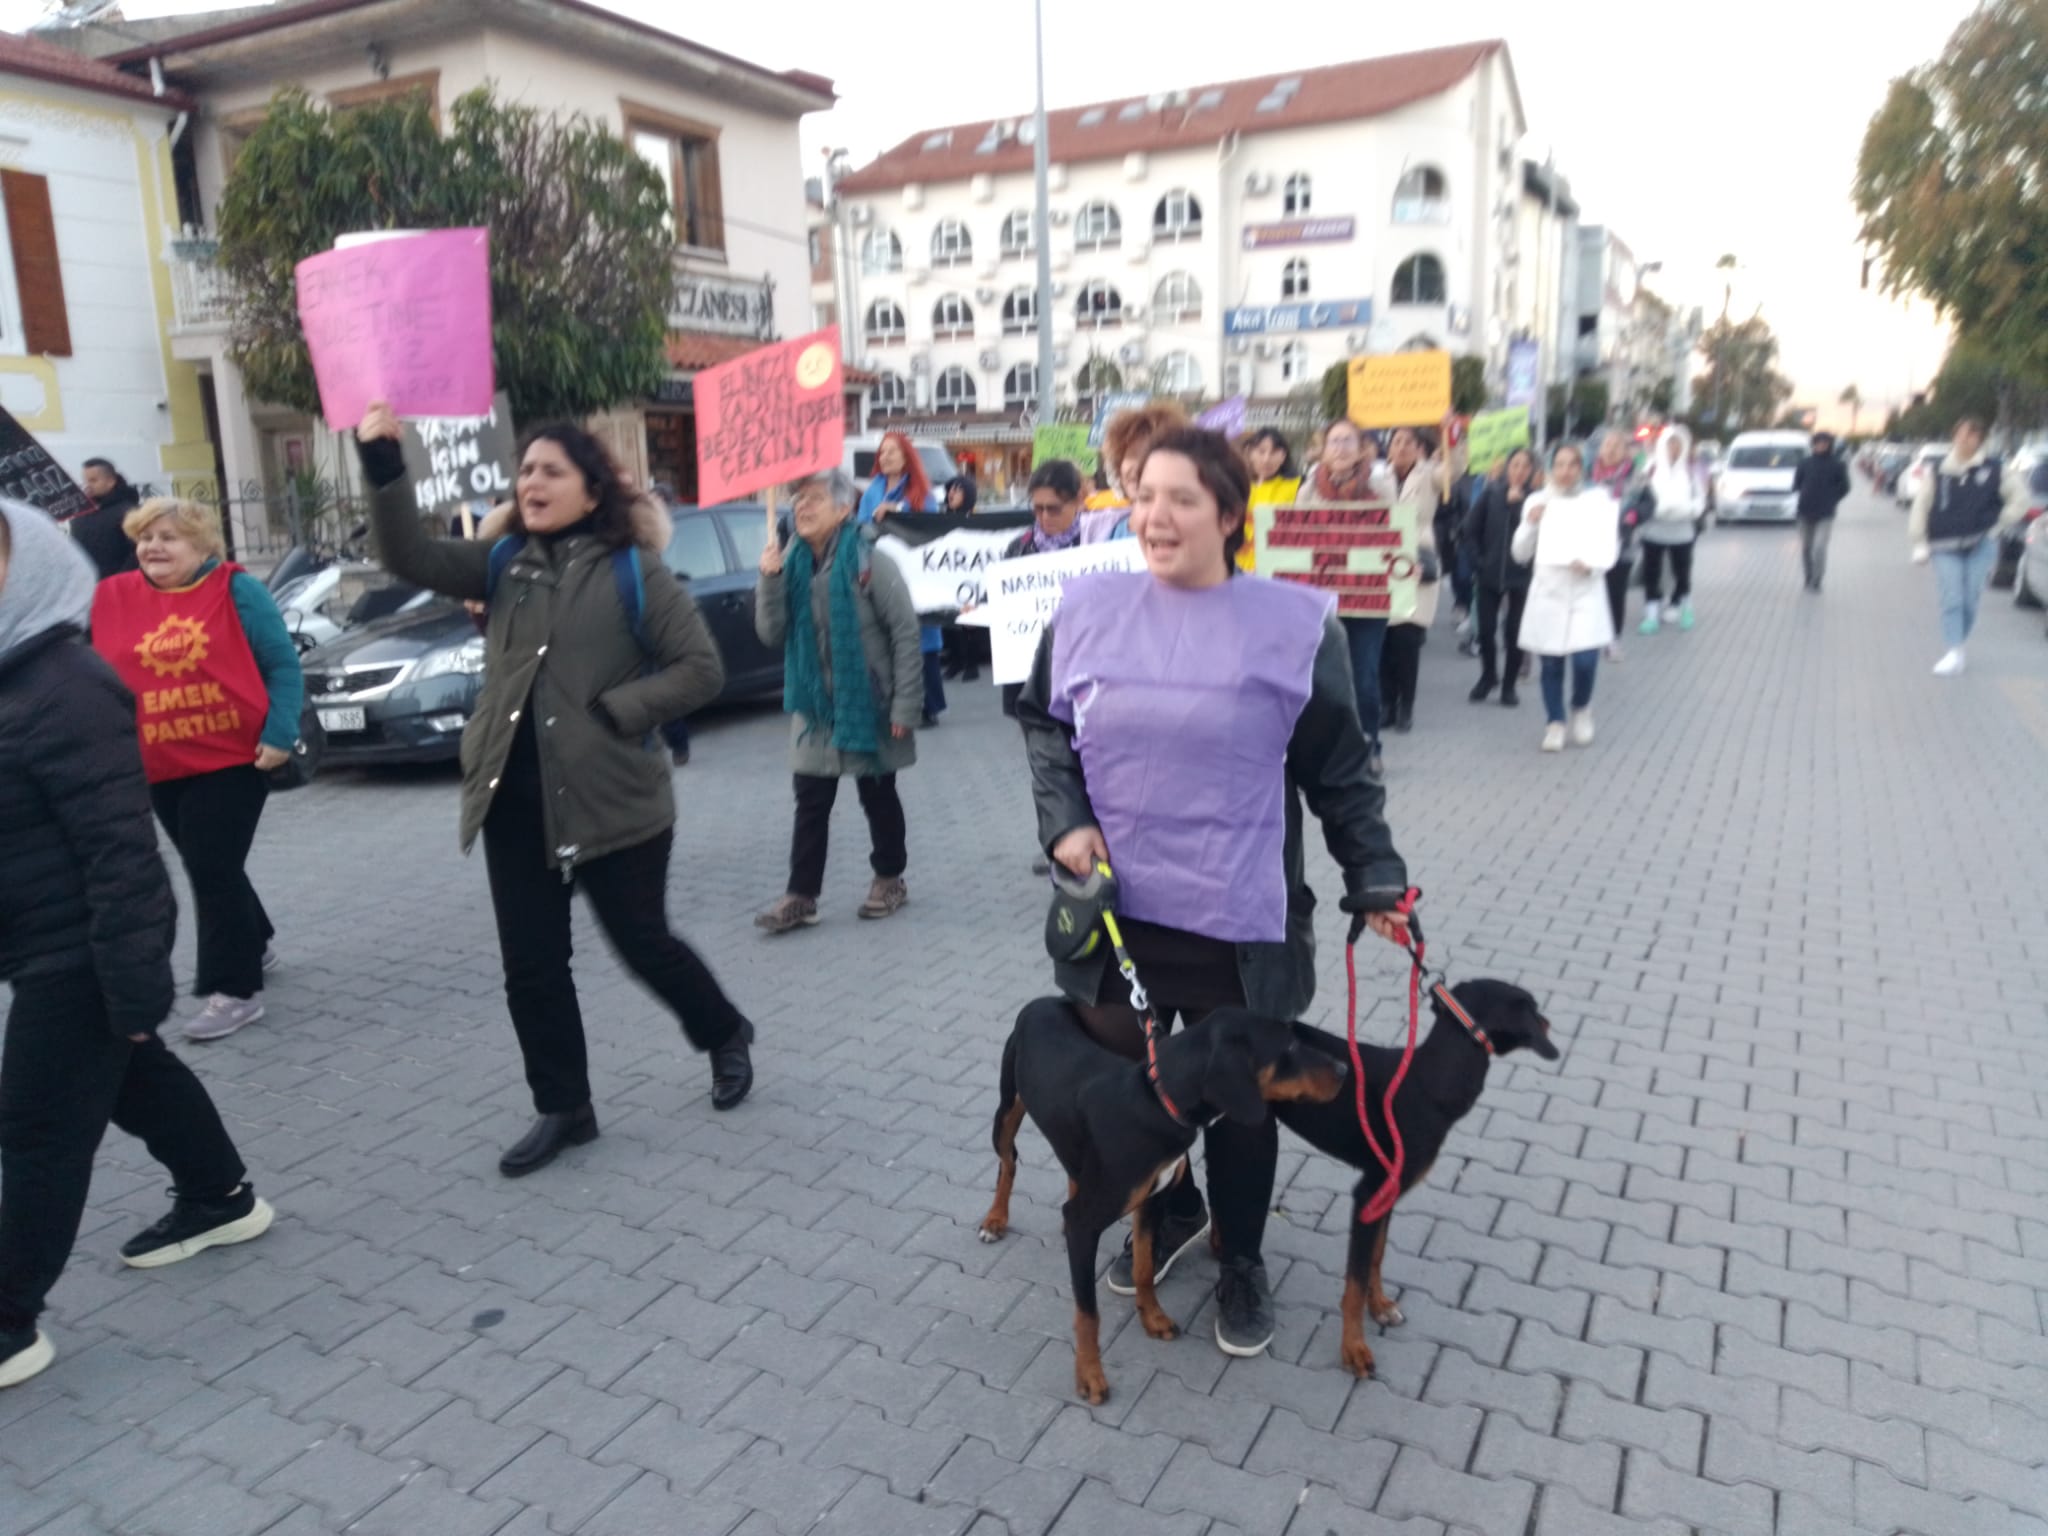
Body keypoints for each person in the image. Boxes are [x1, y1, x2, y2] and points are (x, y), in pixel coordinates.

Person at [1018, 426, 1411, 1360]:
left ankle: (1242, 1255)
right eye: (1144, 494)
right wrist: (1065, 819)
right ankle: (1176, 1205)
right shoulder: (1086, 608)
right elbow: (1044, 724)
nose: (1156, 515)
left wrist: (1375, 877)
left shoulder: (1292, 625)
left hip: (1241, 920)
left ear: (1231, 516)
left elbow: (1340, 770)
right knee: (1138, 1087)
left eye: (1182, 498)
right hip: (1122, 918)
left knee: (1239, 1099)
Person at [354, 400, 755, 1175]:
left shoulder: (634, 571)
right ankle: (564, 1107)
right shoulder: (505, 564)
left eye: (551, 470)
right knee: (532, 967)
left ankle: (724, 1032)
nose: (532, 481)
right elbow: (405, 553)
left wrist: (619, 710)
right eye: (526, 469)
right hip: (516, 800)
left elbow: (700, 668)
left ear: (591, 491)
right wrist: (383, 464)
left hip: (616, 800)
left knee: (644, 945)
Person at [0, 500, 274, 1391]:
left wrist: (131, 985)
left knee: (38, 1128)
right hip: (40, 939)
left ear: (27, 567)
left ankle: (10, 1321)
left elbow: (124, 851)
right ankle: (222, 1196)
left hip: (79, 949)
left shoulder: (65, 684)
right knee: (132, 1074)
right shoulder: (10, 677)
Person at [89, 498, 302, 1042]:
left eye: (169, 537)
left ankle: (234, 990)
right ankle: (254, 940)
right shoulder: (112, 597)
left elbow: (281, 663)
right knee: (210, 863)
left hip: (234, 758)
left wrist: (281, 733)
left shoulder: (236, 590)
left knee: (211, 869)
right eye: (145, 537)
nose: (154, 547)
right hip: (158, 761)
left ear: (202, 546)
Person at [756, 466, 923, 933]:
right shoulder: (787, 563)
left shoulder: (871, 561)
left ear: (845, 508)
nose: (801, 508)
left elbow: (906, 636)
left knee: (877, 794)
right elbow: (771, 634)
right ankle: (801, 895)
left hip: (868, 701)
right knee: (810, 800)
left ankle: (890, 877)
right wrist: (768, 579)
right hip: (815, 709)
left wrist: (905, 707)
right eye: (796, 500)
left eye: (812, 498)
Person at [1296, 419, 1396, 778]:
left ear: (1362, 448)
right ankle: (1333, 750)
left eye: (1348, 441)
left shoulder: (1381, 485)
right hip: (1324, 601)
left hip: (1368, 600)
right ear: (1323, 449)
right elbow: (1296, 540)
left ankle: (1370, 747)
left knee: (1365, 679)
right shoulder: (1308, 489)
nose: (1340, 448)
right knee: (1326, 679)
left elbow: (1393, 532)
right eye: (1334, 441)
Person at [1513, 443, 1618, 751]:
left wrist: (1593, 566)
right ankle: (1555, 722)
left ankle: (1581, 707)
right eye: (1559, 464)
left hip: (1585, 590)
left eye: (1572, 464)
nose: (1565, 471)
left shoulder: (1596, 500)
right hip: (1550, 592)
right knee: (1551, 663)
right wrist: (1530, 523)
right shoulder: (1538, 500)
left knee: (1585, 661)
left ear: (1581, 468)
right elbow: (1520, 553)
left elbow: (1608, 544)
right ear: (1549, 469)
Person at [1910, 416, 2026, 675]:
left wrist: (1999, 525)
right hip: (1944, 545)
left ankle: (1958, 644)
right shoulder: (1937, 470)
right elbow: (1921, 505)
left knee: (1970, 599)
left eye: (1971, 435)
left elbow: (2020, 499)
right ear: (1954, 436)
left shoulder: (1996, 469)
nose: (1965, 439)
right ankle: (1953, 651)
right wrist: (1919, 541)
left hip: (1981, 544)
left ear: (1979, 440)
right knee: (1952, 597)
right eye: (1961, 434)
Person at [1378, 426, 1444, 736]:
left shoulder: (1429, 475)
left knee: (1407, 640)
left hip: (1416, 557)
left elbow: (1452, 470)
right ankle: (1387, 705)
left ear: (1419, 448)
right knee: (1385, 640)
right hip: (1383, 560)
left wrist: (1452, 435)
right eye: (1396, 441)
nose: (1401, 447)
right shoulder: (1378, 477)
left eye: (1408, 442)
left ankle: (1407, 706)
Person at [1465, 446, 1536, 705]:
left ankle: (1509, 684)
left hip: (1520, 576)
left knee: (1515, 633)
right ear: (1508, 467)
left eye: (1524, 466)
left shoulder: (1535, 500)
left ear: (1531, 471)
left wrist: (1517, 507)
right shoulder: (1490, 493)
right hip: (1489, 574)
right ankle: (1488, 675)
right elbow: (1469, 531)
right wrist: (1478, 562)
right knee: (1485, 630)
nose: (1518, 471)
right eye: (1514, 465)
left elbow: (1535, 533)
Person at [1080, 402, 1190, 540]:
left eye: (1148, 456)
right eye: (1130, 456)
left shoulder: (1190, 530)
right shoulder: (1104, 531)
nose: (1136, 467)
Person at [1638, 423, 1702, 633]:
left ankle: (1685, 608)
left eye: (1677, 444)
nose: (1673, 448)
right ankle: (1651, 614)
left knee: (1682, 572)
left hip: (1682, 530)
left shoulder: (1690, 471)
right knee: (1651, 573)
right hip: (1654, 529)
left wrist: (1691, 510)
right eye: (1669, 443)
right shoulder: (1651, 467)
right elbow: (1641, 492)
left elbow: (1699, 498)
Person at [1587, 430, 1639, 660]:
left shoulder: (1635, 476)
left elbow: (1648, 502)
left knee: (1615, 593)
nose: (1611, 450)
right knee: (1590, 591)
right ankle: (1590, 637)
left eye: (1617, 446)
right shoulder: (1588, 474)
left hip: (1621, 544)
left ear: (1625, 452)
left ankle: (1613, 639)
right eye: (1607, 445)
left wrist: (1633, 516)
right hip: (1590, 543)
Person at [1793, 431, 1852, 592]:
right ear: (1813, 445)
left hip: (1825, 513)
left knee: (1819, 547)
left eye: (1825, 443)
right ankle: (1808, 575)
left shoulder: (1837, 464)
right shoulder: (1805, 463)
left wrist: (1832, 498)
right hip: (1804, 511)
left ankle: (1817, 579)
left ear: (1829, 445)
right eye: (1818, 443)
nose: (1821, 445)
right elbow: (1797, 484)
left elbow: (1845, 487)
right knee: (1806, 547)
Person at [939, 474, 984, 686]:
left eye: (957, 490)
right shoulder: (942, 519)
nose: (951, 494)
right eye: (950, 490)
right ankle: (956, 660)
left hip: (970, 577)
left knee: (970, 621)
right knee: (950, 619)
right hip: (948, 576)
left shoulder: (975, 519)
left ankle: (971, 663)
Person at [70, 459, 142, 580]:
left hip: (118, 586)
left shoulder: (129, 512)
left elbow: (138, 551)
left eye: (93, 480)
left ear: (110, 481)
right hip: (88, 583)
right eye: (85, 480)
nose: (87, 485)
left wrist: (117, 581)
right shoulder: (81, 512)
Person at [1242, 427, 1301, 573]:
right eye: (1261, 451)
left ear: (1283, 456)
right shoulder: (1237, 484)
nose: (1266, 459)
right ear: (1250, 453)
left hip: (1280, 568)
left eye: (1274, 452)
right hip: (1240, 567)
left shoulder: (1298, 486)